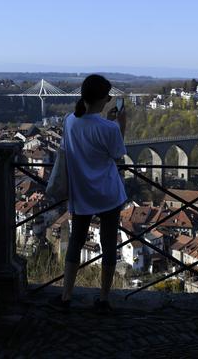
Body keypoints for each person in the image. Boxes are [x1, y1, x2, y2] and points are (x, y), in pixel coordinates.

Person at [49, 74, 127, 313]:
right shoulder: (109, 128)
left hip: (81, 192)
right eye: (107, 97)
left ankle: (66, 295)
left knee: (76, 241)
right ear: (102, 99)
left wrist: (109, 122)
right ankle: (104, 298)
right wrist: (121, 125)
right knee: (108, 245)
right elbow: (117, 155)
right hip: (108, 194)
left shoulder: (69, 121)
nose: (109, 100)